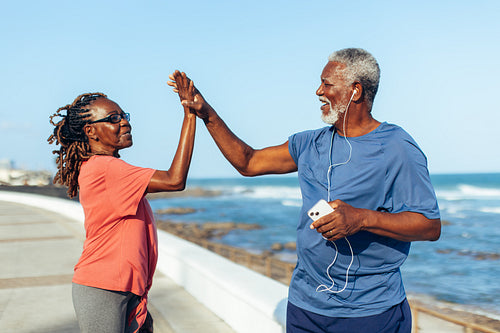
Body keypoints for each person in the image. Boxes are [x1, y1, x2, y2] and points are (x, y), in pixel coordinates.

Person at [168, 48, 441, 332]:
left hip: (370, 312)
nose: (318, 91)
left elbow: (429, 226)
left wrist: (361, 218)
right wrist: (206, 112)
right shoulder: (309, 143)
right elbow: (248, 162)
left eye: (327, 84)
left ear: (355, 91)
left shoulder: (397, 147)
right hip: (304, 308)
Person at [48, 71, 196, 333]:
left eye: (124, 116)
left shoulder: (107, 168)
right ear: (90, 131)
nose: (125, 123)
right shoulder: (106, 168)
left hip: (126, 287)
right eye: (113, 119)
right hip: (104, 288)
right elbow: (175, 180)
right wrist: (190, 115)